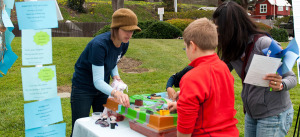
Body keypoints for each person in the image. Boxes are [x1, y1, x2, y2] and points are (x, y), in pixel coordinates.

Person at [213, 1, 297, 137]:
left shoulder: (263, 44)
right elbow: (214, 73)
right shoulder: (234, 48)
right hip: (251, 114)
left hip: (273, 115)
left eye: (219, 28)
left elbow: (292, 78)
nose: (217, 33)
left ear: (231, 27)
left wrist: (281, 84)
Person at [70, 8, 141, 135]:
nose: (130, 34)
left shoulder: (124, 43)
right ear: (116, 28)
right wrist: (116, 94)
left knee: (104, 124)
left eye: (132, 30)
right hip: (83, 88)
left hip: (103, 88)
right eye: (126, 30)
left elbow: (113, 60)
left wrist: (116, 76)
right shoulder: (99, 45)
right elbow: (97, 81)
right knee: (80, 125)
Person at [168, 18, 239, 137]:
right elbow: (213, 103)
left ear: (192, 45)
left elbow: (185, 131)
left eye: (185, 47)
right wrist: (180, 106)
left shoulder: (191, 77)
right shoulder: (224, 68)